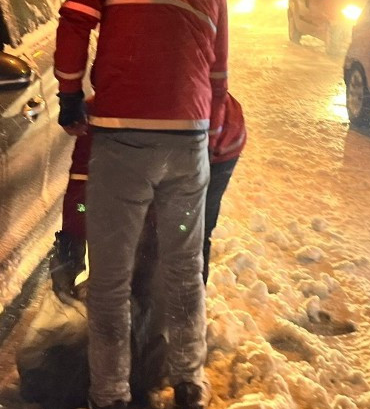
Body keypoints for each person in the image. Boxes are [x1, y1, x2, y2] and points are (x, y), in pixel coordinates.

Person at [53, 0, 228, 409]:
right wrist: (205, 127)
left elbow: (77, 15)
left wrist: (70, 91)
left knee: (110, 281)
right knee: (181, 271)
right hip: (190, 141)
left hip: (126, 136)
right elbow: (220, 73)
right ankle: (189, 389)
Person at [49, 91, 247, 296]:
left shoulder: (159, 120)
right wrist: (72, 243)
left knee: (188, 232)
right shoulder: (100, 115)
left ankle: (183, 316)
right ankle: (142, 305)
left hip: (218, 144)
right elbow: (82, 183)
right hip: (176, 137)